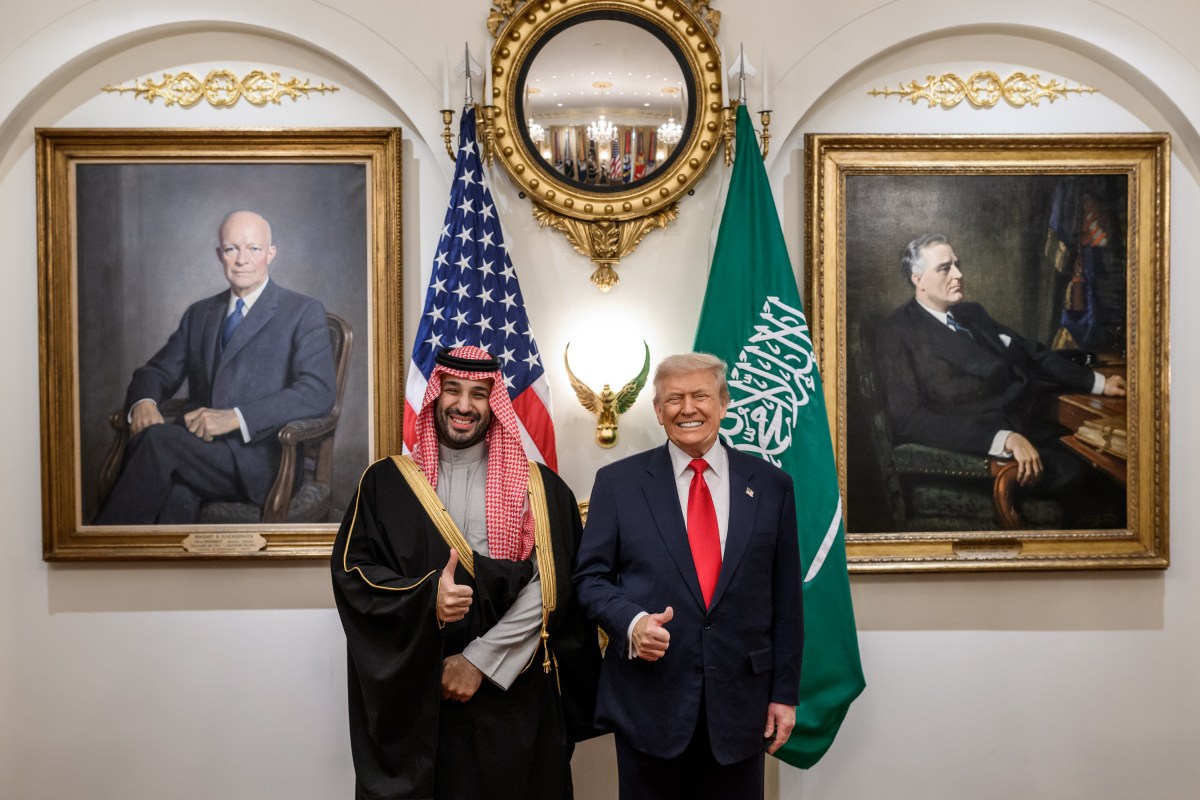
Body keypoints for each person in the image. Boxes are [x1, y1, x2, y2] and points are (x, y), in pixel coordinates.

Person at [331, 346, 600, 800]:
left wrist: (478, 660)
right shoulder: (385, 483)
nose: (464, 405)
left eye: (480, 394)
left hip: (512, 688)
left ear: (494, 405)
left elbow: (552, 585)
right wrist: (424, 597)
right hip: (420, 692)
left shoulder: (541, 488)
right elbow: (354, 575)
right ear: (434, 396)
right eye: (452, 390)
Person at [574, 353, 803, 800]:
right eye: (673, 399)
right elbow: (590, 578)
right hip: (649, 704)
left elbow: (786, 599)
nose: (688, 408)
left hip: (741, 703)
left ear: (724, 403)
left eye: (700, 395)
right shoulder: (618, 484)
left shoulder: (772, 485)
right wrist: (633, 622)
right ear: (658, 412)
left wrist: (784, 694)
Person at [95, 210, 337, 524]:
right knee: (175, 498)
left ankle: (100, 552)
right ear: (219, 254)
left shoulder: (302, 311)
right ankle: (148, 571)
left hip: (263, 461)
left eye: (253, 249)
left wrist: (235, 418)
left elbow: (316, 392)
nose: (242, 260)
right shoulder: (200, 314)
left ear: (270, 254)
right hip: (195, 453)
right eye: (231, 249)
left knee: (156, 442)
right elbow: (155, 372)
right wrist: (144, 402)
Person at [874, 232, 1126, 495]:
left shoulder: (971, 313)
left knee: (1108, 458)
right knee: (1093, 477)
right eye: (945, 269)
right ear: (918, 280)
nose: (958, 275)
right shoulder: (897, 333)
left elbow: (1033, 354)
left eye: (957, 265)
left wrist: (1099, 383)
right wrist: (1001, 438)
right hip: (983, 451)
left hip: (1034, 424)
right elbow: (911, 420)